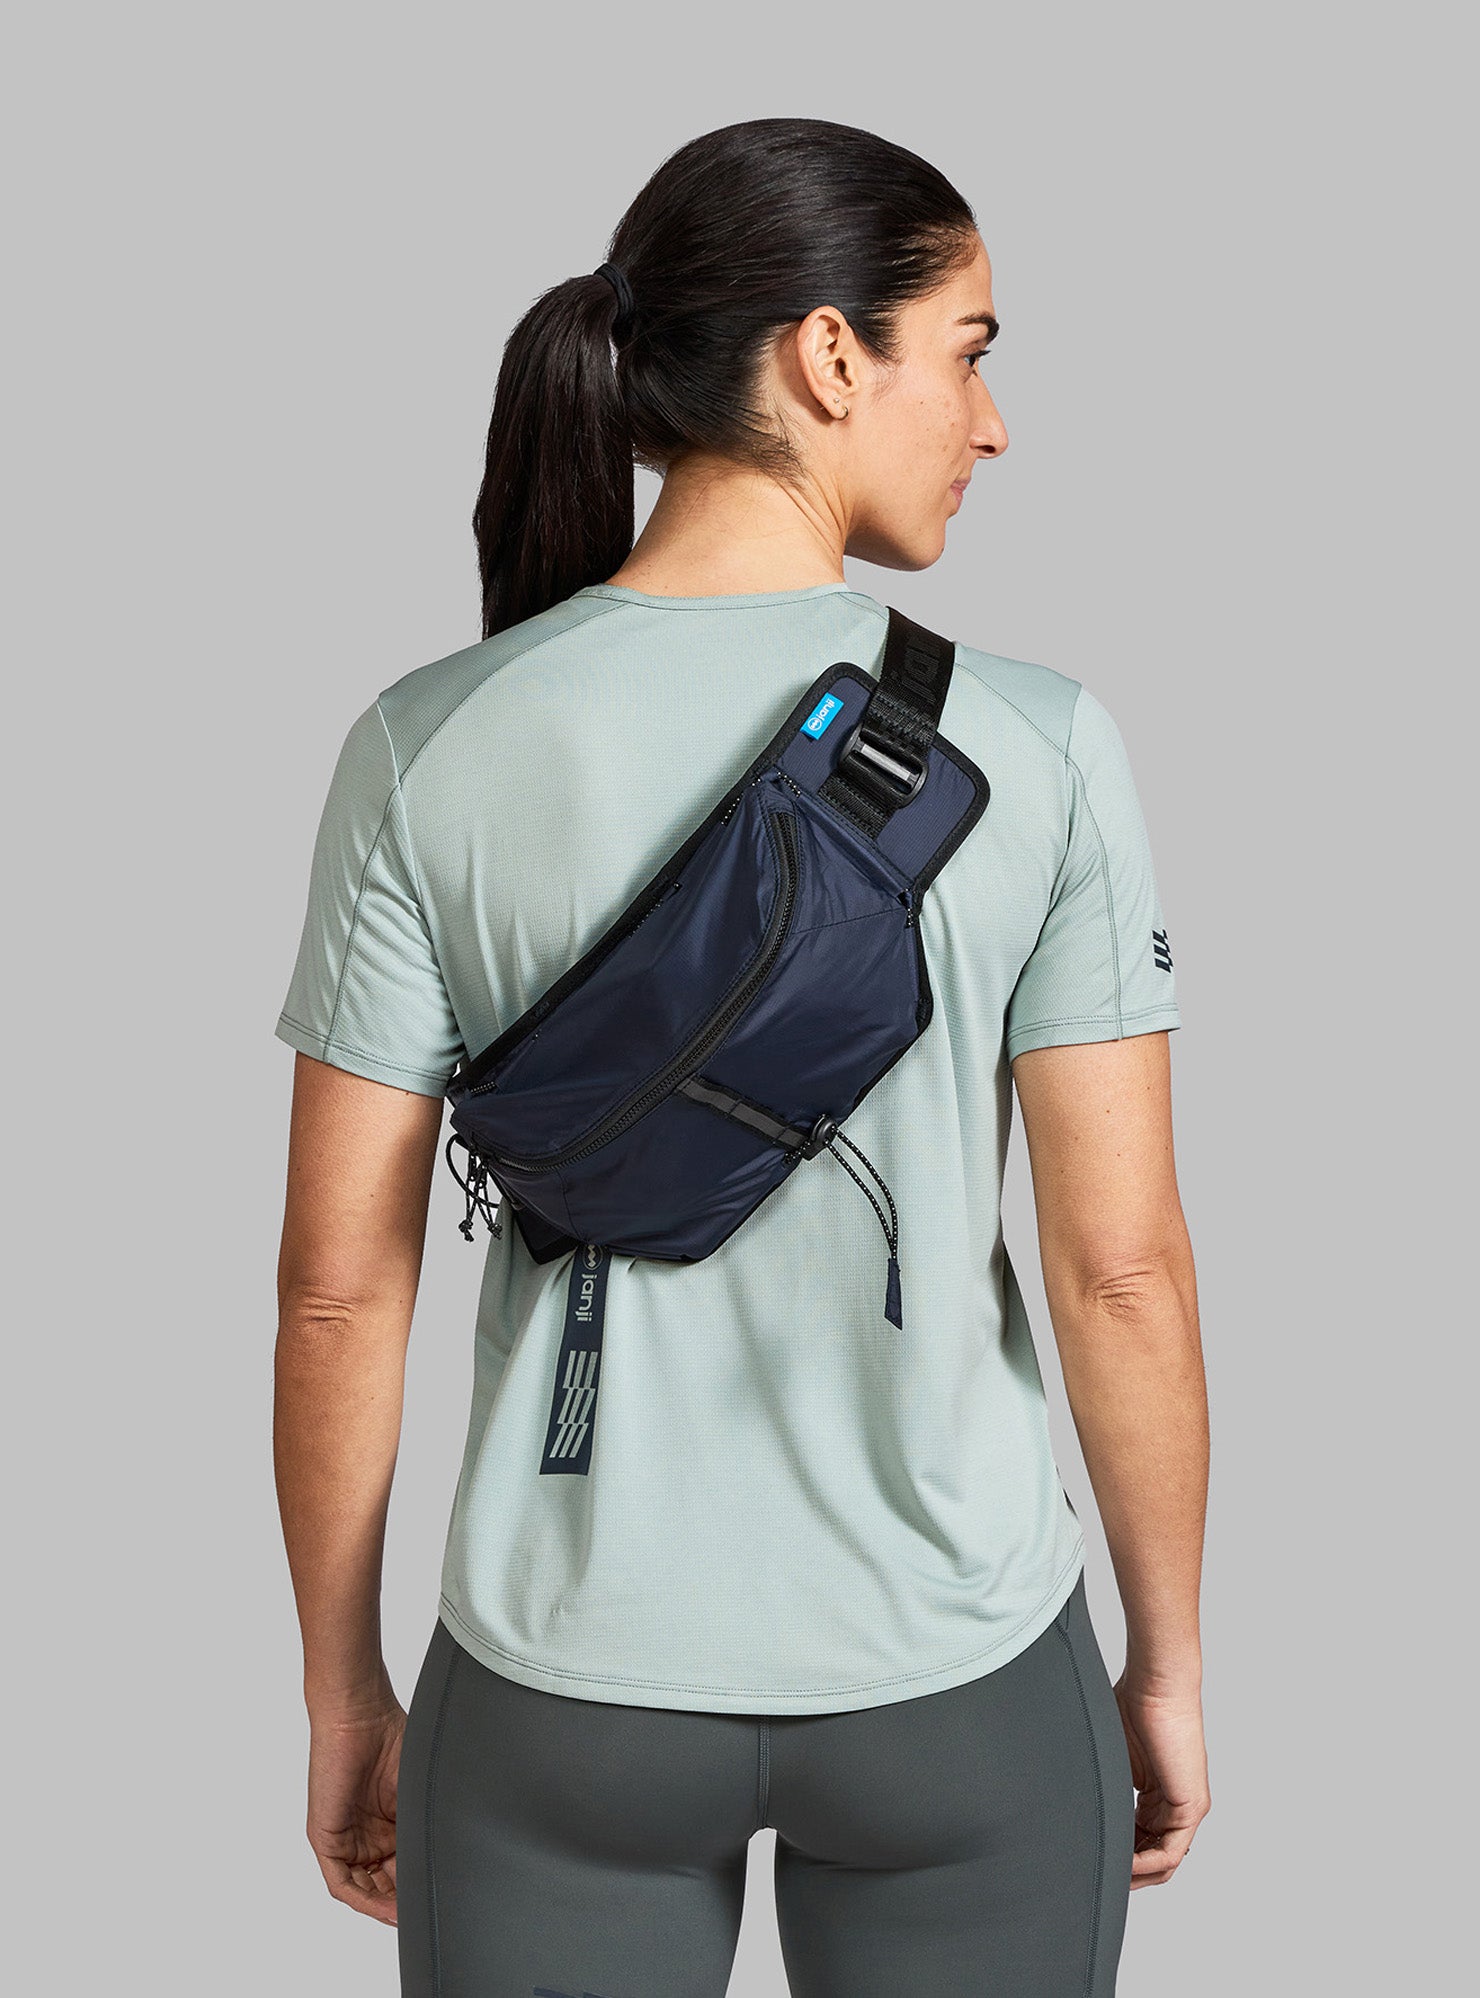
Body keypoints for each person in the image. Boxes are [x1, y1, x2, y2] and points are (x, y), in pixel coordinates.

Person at [272, 116, 1211, 1998]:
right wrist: (1169, 1659)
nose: (994, 424)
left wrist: (343, 1688)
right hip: (958, 1666)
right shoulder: (1042, 745)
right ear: (830, 355)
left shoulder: (422, 742)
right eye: (970, 352)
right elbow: (1121, 1273)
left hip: (560, 1677)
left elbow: (334, 1292)